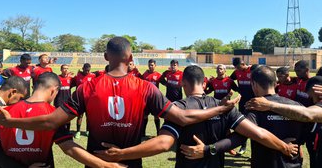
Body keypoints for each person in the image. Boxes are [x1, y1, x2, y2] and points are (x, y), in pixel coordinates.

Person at [0, 36, 240, 168]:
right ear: (131, 57)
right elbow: (183, 118)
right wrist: (221, 107)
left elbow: (50, 122)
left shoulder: (88, 86)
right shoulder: (145, 87)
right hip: (130, 164)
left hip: (97, 164)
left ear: (105, 57)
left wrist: (11, 120)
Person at [94, 65, 298, 168]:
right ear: (204, 82)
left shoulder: (179, 108)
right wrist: (285, 147)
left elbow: (164, 144)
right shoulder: (224, 107)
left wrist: (122, 154)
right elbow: (257, 134)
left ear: (183, 83)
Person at [0, 72, 123, 168]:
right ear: (54, 90)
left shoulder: (4, 112)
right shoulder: (53, 116)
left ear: (34, 87)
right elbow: (69, 149)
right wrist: (105, 165)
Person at [193, 66, 313, 168]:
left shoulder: (254, 107)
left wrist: (209, 149)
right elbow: (306, 135)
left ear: (254, 84)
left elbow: (238, 138)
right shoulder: (297, 107)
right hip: (293, 164)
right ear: (276, 83)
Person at [246, 76, 322, 168]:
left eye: (311, 95)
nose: (311, 99)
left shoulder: (255, 106)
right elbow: (303, 136)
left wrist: (269, 105)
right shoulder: (297, 105)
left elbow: (307, 114)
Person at [229, 57, 253, 155]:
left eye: (238, 67)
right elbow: (229, 80)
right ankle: (243, 146)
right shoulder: (236, 72)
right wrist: (237, 89)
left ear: (243, 64)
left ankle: (255, 151)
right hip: (242, 102)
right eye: (236, 68)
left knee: (254, 125)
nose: (237, 69)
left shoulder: (253, 70)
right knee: (243, 124)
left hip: (253, 101)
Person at [73, 63, 96, 139]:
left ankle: (87, 131)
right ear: (83, 68)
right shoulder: (78, 75)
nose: (87, 72)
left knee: (88, 116)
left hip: (89, 99)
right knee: (80, 116)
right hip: (80, 99)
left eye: (88, 70)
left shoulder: (92, 76)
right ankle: (78, 132)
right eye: (86, 70)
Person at [141, 59, 162, 136]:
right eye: (149, 65)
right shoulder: (145, 75)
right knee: (145, 116)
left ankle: (158, 133)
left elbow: (165, 83)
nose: (151, 66)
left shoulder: (158, 75)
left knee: (156, 116)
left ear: (155, 66)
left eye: (152, 65)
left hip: (154, 99)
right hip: (146, 99)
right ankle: (143, 133)